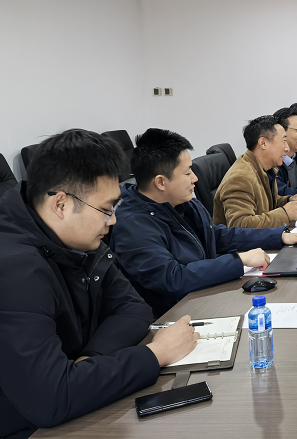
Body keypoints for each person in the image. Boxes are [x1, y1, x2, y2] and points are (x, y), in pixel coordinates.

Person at [0, 129, 198, 438]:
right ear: (61, 204)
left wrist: (91, 361)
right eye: (106, 210)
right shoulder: (13, 270)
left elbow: (134, 308)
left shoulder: (79, 241)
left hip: (78, 404)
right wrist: (156, 354)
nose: (113, 220)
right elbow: (50, 400)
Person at [111, 129, 297, 318]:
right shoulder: (132, 226)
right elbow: (173, 278)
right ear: (160, 182)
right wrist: (239, 261)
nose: (195, 178)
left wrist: (278, 236)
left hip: (203, 298)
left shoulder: (180, 203)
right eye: (187, 173)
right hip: (173, 318)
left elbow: (216, 236)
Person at [213, 115, 297, 229]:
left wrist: (288, 200)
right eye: (284, 141)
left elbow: (265, 205)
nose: (287, 148)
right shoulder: (240, 178)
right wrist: (285, 214)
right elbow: (240, 226)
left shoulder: (265, 169)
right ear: (263, 143)